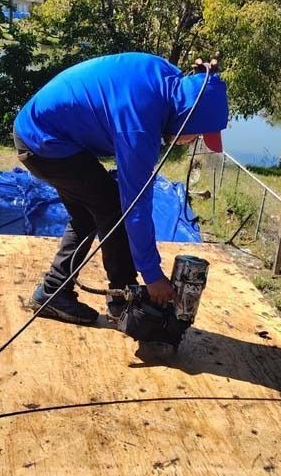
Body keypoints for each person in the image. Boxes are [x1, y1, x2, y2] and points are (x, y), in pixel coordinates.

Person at [13, 51, 229, 325]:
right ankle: (123, 299)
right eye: (196, 133)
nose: (192, 141)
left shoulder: (169, 80)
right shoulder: (140, 125)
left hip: (43, 131)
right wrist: (152, 276)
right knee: (112, 209)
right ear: (187, 117)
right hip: (44, 140)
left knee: (88, 214)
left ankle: (55, 292)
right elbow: (135, 205)